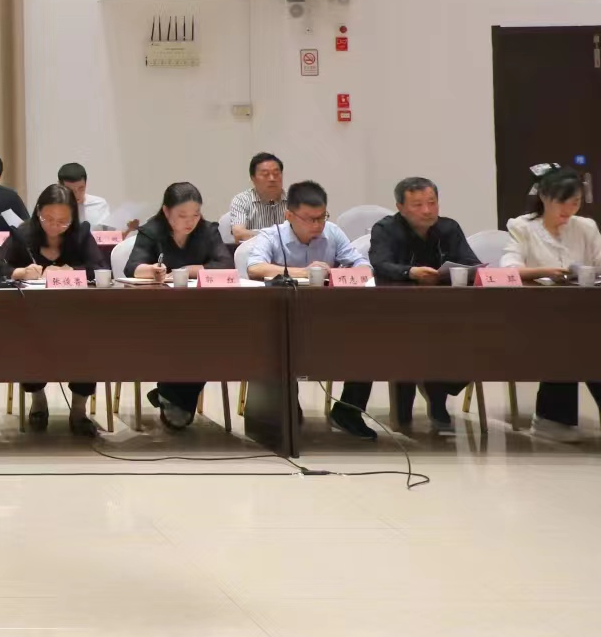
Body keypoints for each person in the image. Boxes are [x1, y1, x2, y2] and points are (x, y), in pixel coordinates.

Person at [338, 177, 478, 437]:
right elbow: (381, 264)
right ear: (400, 207)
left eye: (432, 203)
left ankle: (436, 389)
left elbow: (471, 263)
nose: (427, 210)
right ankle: (424, 398)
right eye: (418, 205)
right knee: (384, 344)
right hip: (393, 312)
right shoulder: (386, 229)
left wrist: (455, 273)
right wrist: (410, 272)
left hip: (443, 313)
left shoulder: (449, 228)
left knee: (480, 338)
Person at [244, 180, 375, 439]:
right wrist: (304, 272)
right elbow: (255, 268)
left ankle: (348, 411)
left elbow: (364, 267)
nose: (318, 225)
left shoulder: (333, 233)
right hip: (283, 321)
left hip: (328, 318)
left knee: (367, 340)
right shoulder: (272, 236)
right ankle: (287, 407)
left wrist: (337, 274)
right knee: (279, 344)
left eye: (322, 217)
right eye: (310, 219)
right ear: (289, 215)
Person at [500, 166, 601, 439]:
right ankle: (552, 420)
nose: (569, 210)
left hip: (583, 314)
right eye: (562, 202)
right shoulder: (522, 227)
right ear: (544, 197)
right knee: (576, 340)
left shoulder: (586, 227)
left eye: (575, 202)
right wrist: (543, 272)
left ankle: (552, 418)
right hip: (537, 315)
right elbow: (508, 269)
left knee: (586, 338)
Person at [124, 182, 232, 429]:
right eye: (182, 215)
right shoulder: (152, 231)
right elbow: (132, 267)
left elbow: (225, 264)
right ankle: (172, 396)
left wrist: (191, 270)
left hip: (202, 311)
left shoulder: (207, 231)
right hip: (160, 313)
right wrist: (151, 270)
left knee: (212, 338)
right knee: (192, 337)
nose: (190, 221)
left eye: (196, 214)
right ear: (166, 211)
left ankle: (170, 394)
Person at [3, 184, 102, 436]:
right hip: (31, 316)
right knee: (27, 340)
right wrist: (20, 272)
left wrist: (73, 271)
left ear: (73, 217)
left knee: (88, 341)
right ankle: (38, 400)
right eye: (48, 219)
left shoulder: (81, 234)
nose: (55, 226)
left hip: (76, 316)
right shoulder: (23, 234)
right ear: (38, 212)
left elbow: (99, 268)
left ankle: (78, 409)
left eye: (63, 221)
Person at [224, 153, 286, 243]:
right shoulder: (242, 200)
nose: (272, 179)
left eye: (276, 174)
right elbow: (239, 233)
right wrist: (273, 238)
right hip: (253, 250)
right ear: (253, 178)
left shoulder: (293, 200)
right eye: (265, 174)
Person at [57, 162, 125, 232]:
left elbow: (112, 235)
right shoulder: (54, 207)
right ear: (60, 186)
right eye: (71, 190)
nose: (77, 195)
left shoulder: (99, 205)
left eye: (81, 188)